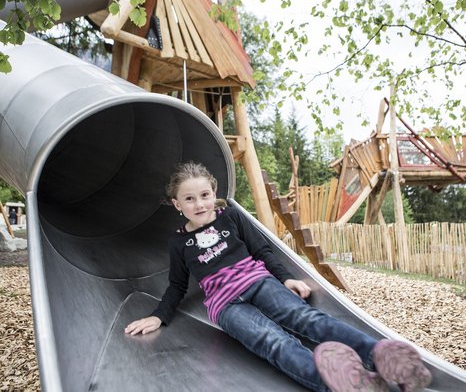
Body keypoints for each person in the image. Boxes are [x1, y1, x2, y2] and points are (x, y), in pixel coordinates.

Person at [125, 162, 432, 392]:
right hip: (226, 306)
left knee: (306, 319)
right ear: (177, 205)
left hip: (259, 281)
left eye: (204, 195)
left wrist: (286, 278)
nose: (199, 204)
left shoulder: (230, 216)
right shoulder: (179, 243)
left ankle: (378, 354)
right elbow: (177, 286)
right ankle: (343, 383)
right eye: (189, 199)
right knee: (273, 341)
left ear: (213, 193)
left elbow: (262, 250)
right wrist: (159, 317)